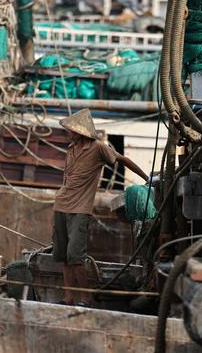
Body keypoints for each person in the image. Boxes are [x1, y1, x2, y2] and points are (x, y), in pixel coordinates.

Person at [53, 108, 148, 307]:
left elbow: (123, 160)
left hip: (80, 208)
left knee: (75, 256)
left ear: (80, 131)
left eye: (71, 128)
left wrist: (147, 179)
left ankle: (86, 298)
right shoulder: (71, 149)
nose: (68, 131)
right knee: (63, 255)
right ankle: (69, 297)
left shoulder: (98, 148)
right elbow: (68, 178)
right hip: (61, 205)